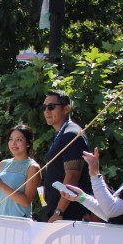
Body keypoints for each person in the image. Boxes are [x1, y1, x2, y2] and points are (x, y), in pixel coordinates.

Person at [41, 91, 91, 222]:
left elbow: (72, 176)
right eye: (44, 107)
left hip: (68, 215)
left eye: (51, 107)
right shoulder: (62, 133)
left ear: (67, 108)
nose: (46, 111)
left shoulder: (71, 134)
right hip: (56, 211)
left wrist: (59, 211)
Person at [0, 125, 42, 218]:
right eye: (11, 139)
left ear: (28, 143)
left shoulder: (32, 167)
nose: (13, 143)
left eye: (19, 140)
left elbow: (26, 202)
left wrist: (2, 185)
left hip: (18, 220)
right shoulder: (3, 163)